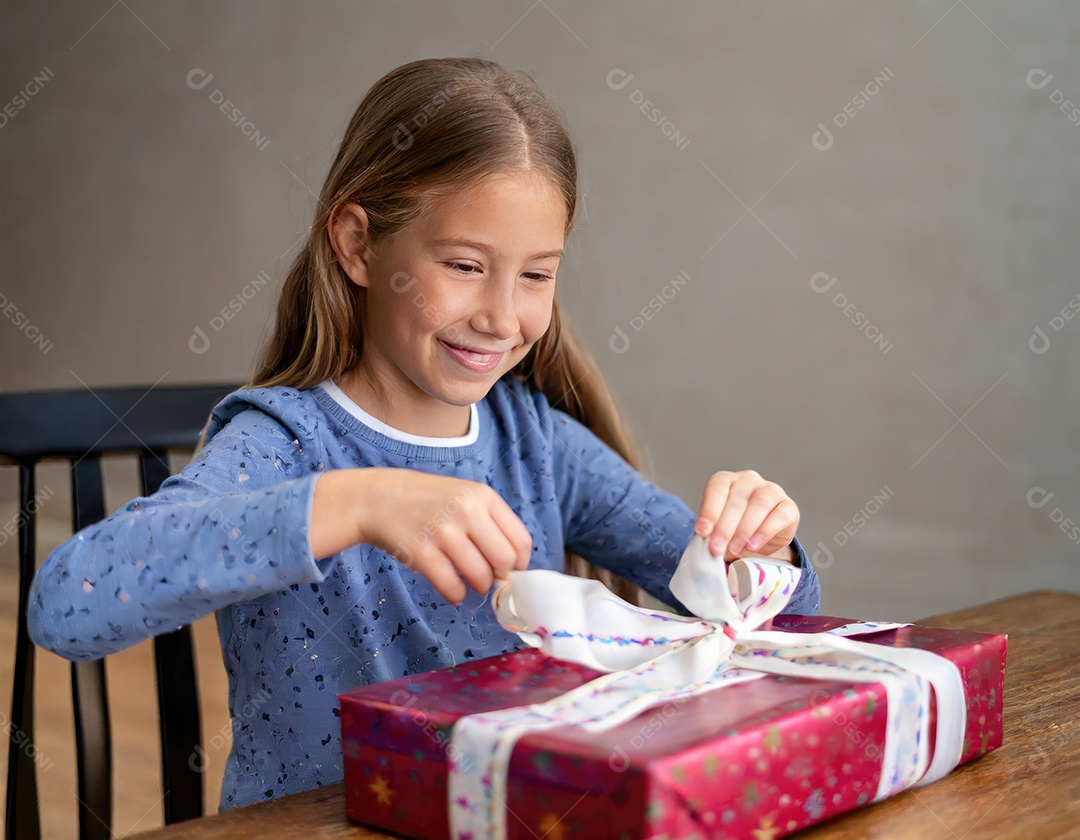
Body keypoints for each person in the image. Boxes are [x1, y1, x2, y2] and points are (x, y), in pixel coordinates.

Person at [27, 56, 820, 811]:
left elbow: (775, 620)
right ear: (358, 244)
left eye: (536, 274)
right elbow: (66, 606)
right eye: (466, 266)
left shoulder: (534, 444)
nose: (503, 318)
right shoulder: (285, 445)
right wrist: (354, 504)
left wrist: (761, 554)